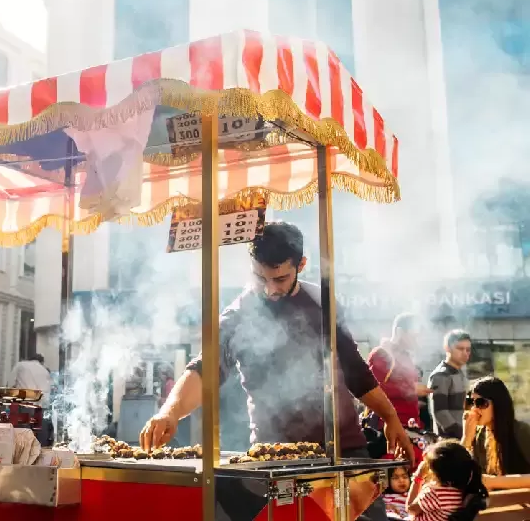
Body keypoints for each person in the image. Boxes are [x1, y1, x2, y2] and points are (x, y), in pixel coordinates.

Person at [140, 223, 413, 521]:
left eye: (280, 278)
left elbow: (355, 370)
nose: (270, 289)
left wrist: (390, 416)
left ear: (301, 265)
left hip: (344, 450)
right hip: (273, 459)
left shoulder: (322, 304)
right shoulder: (237, 314)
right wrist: (169, 411)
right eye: (261, 278)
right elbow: (205, 370)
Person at [461, 375, 530, 490]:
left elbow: (487, 481)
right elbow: (457, 474)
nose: (474, 409)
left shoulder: (521, 431)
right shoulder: (479, 435)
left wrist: (494, 482)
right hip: (496, 503)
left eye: (480, 403)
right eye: (470, 402)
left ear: (498, 404)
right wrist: (466, 439)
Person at [367, 313, 432, 428]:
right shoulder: (382, 354)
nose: (419, 340)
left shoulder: (406, 357)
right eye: (415, 336)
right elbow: (372, 390)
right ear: (400, 332)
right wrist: (411, 389)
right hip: (389, 426)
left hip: (409, 424)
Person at [407, 440, 487, 521]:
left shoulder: (435, 493)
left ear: (438, 474)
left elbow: (410, 509)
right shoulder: (466, 488)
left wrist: (418, 478)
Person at [428, 330, 471, 439]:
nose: (465, 353)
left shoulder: (460, 373)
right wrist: (461, 434)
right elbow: (440, 413)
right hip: (450, 441)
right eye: (460, 349)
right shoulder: (441, 375)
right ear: (447, 348)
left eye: (468, 349)